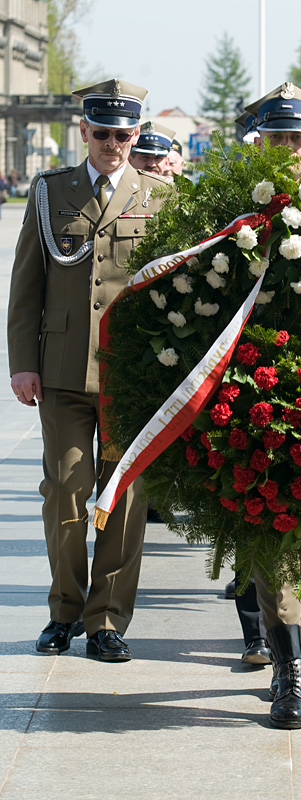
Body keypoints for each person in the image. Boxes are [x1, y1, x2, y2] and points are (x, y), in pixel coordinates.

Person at [7, 78, 169, 663]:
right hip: (63, 373)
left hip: (130, 377)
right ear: (84, 132)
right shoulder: (52, 193)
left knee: (125, 499)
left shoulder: (158, 197)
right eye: (102, 133)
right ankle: (64, 610)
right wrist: (23, 364)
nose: (114, 144)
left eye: (125, 134)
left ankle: (107, 620)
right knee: (67, 492)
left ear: (136, 135)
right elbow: (27, 287)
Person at [233, 81, 301, 728]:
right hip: (255, 401)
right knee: (271, 534)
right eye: (276, 139)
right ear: (258, 144)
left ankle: (300, 631)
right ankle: (287, 668)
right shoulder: (231, 211)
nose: (287, 149)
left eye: (297, 139)